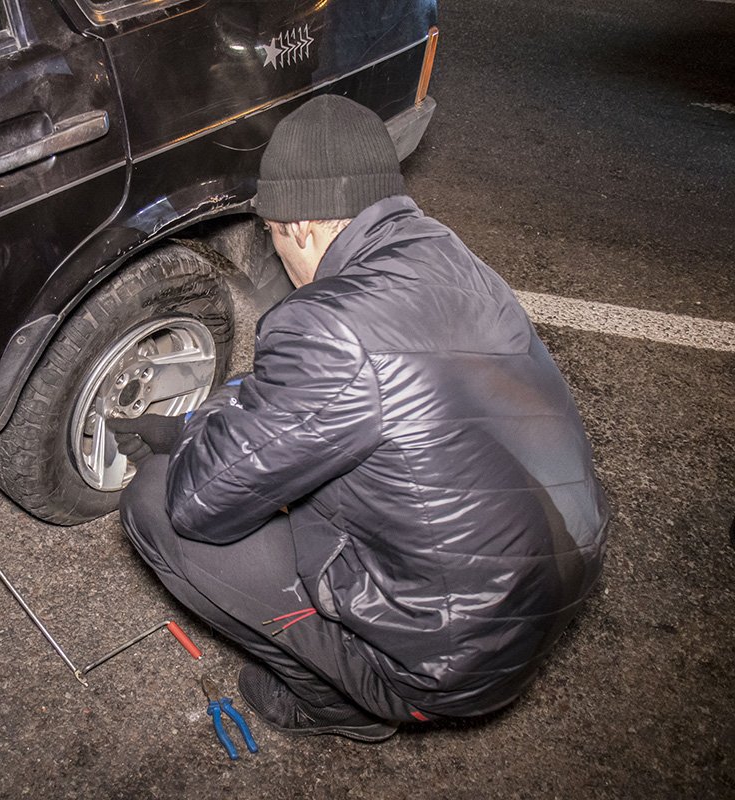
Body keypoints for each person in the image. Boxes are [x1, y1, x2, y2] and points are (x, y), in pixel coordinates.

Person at [109, 95, 609, 742]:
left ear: (305, 227)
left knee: (155, 500)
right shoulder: (456, 263)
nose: (276, 253)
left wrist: (186, 442)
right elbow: (318, 404)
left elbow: (202, 502)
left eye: (272, 234)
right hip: (539, 602)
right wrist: (204, 421)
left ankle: (348, 705)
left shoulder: (328, 326)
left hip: (447, 666)